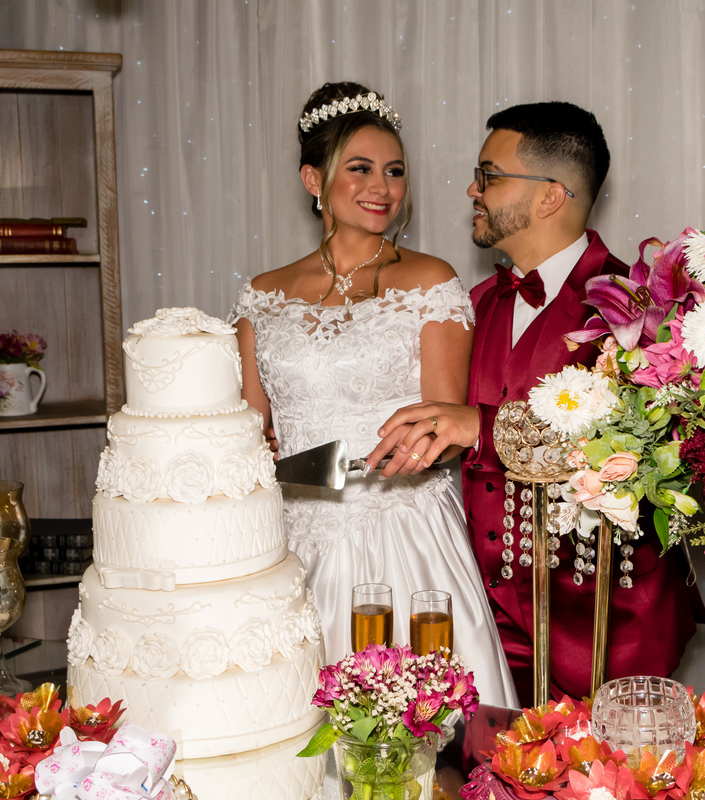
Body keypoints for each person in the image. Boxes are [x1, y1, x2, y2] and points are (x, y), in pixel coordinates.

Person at [368, 101, 699, 704]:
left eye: (489, 176)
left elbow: (646, 449)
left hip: (609, 625)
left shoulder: (638, 308)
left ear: (550, 196)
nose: (472, 189)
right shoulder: (473, 304)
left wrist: (481, 427)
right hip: (484, 622)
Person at [229, 82, 518, 708]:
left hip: (404, 533)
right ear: (314, 179)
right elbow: (246, 437)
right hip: (289, 539)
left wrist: (392, 456)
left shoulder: (430, 281)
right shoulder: (261, 296)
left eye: (394, 171)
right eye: (359, 168)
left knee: (417, 720)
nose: (382, 187)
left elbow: (446, 429)